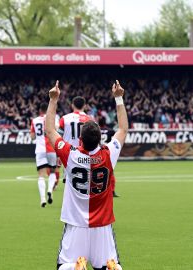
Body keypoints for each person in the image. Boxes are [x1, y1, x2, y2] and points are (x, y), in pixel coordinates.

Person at [46, 80, 127, 270]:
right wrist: (119, 98)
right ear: (100, 139)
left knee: (64, 265)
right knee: (109, 265)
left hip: (76, 225)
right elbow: (123, 129)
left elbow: (50, 130)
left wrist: (53, 100)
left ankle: (76, 267)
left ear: (80, 139)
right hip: (103, 226)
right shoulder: (108, 153)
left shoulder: (71, 155)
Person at [30, 103, 57, 207]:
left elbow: (32, 137)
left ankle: (42, 199)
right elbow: (56, 131)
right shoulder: (52, 119)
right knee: (53, 171)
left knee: (41, 175)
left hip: (40, 149)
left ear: (40, 111)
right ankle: (50, 190)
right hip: (51, 149)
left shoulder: (35, 120)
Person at [99, 117, 119, 198]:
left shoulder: (95, 130)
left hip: (98, 152)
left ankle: (99, 190)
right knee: (110, 172)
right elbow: (114, 141)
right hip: (107, 152)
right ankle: (112, 191)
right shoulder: (110, 131)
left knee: (97, 171)